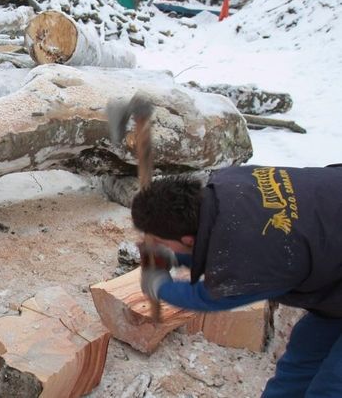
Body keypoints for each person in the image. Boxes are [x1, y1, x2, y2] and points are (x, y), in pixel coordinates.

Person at [130, 165, 342, 397]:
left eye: (159, 241)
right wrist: (175, 255)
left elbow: (207, 296)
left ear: (187, 239)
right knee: (303, 357)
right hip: (330, 246)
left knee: (330, 386)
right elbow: (217, 244)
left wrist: (159, 285)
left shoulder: (256, 254)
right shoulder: (228, 183)